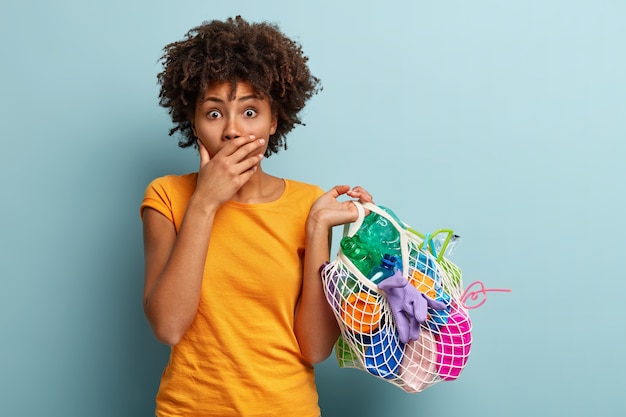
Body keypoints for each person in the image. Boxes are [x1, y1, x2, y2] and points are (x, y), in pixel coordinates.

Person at [140, 16, 373, 417]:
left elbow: (315, 348)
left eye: (250, 112)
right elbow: (168, 326)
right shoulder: (167, 196)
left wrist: (318, 228)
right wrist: (205, 203)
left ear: (274, 121)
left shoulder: (308, 205)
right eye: (214, 114)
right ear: (193, 123)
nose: (232, 131)